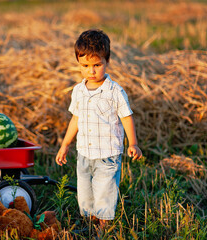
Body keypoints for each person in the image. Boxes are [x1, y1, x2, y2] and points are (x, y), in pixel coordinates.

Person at [55, 29, 142, 234]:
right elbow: (76, 119)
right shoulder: (78, 91)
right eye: (85, 66)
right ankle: (90, 221)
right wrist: (65, 144)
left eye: (97, 65)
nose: (91, 71)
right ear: (78, 63)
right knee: (85, 193)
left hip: (107, 154)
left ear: (106, 61)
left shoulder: (115, 91)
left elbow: (126, 117)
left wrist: (133, 143)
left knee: (104, 191)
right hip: (84, 152)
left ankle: (103, 227)